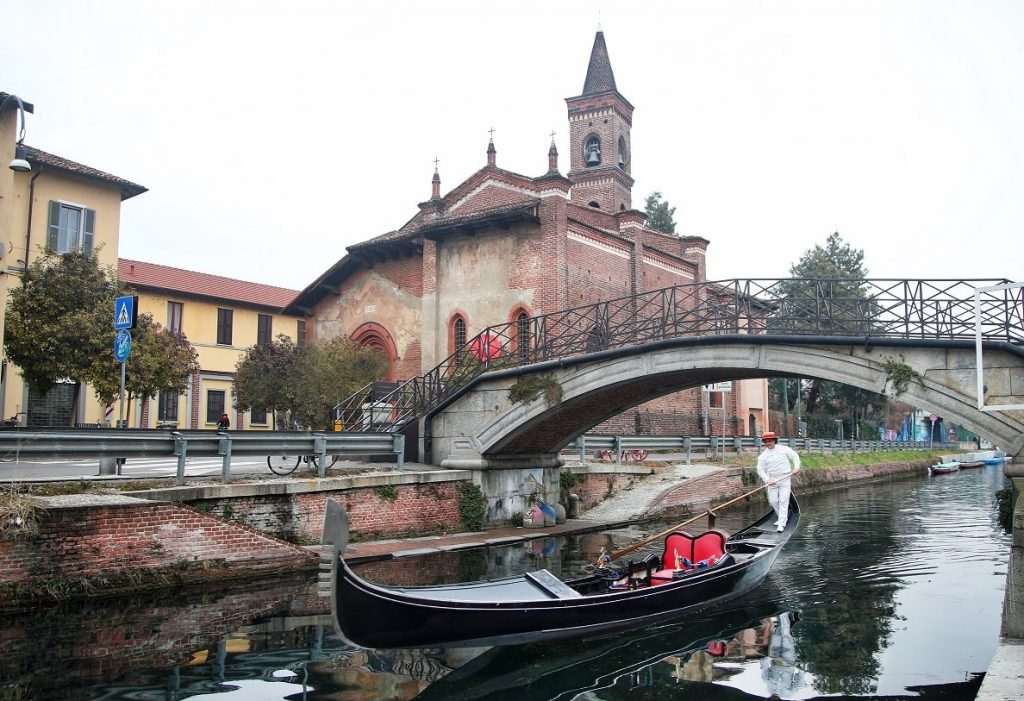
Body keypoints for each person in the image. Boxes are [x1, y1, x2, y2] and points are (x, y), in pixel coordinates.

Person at [756, 431, 800, 532]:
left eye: (770, 441)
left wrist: (796, 467)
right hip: (772, 480)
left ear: (774, 441)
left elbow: (795, 457)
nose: (768, 443)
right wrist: (767, 479)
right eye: (766, 441)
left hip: (785, 478)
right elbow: (760, 470)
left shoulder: (784, 449)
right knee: (773, 501)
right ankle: (782, 517)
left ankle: (781, 523)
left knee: (783, 500)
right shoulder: (763, 456)